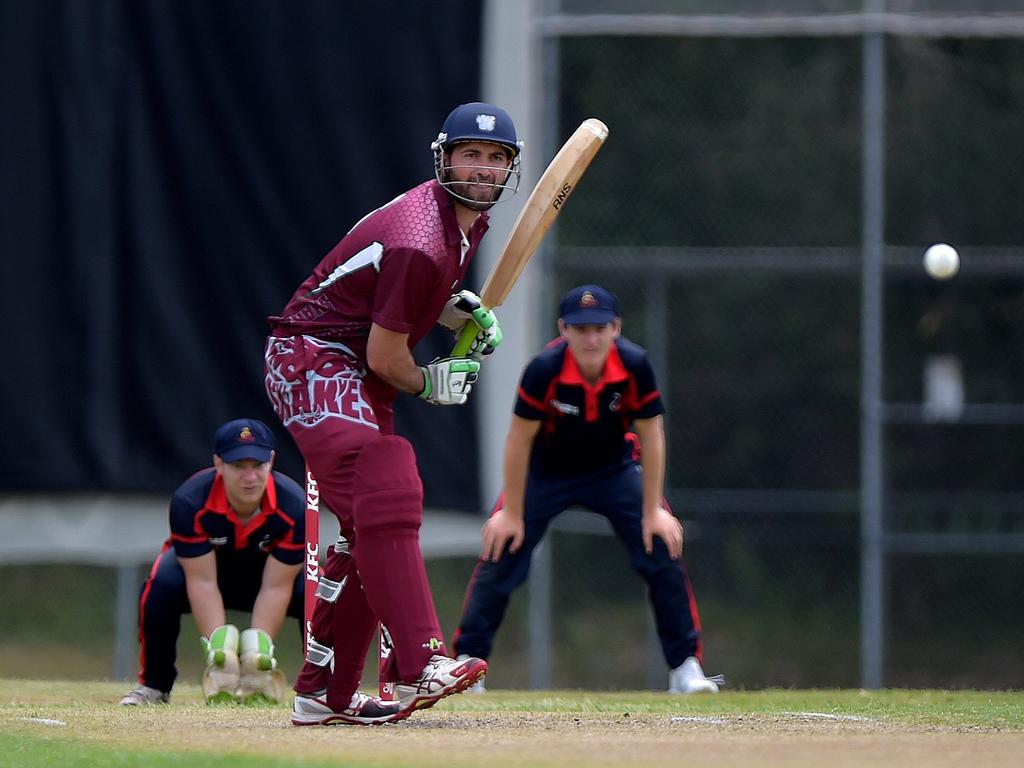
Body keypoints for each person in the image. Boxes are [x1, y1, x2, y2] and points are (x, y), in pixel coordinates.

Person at [263, 101, 522, 726]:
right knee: (389, 470)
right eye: (470, 155)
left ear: (509, 168)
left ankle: (323, 693)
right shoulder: (424, 237)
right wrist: (431, 381)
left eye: (495, 159)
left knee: (373, 521)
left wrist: (452, 311)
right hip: (312, 356)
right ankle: (422, 663)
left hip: (353, 361)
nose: (482, 169)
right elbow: (387, 355)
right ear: (444, 159)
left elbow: (395, 300)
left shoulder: (463, 225)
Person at [452, 285, 724, 694]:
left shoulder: (635, 365)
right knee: (501, 549)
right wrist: (509, 513)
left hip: (612, 468)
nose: (591, 338)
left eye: (600, 328)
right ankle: (466, 667)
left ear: (616, 328)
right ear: (564, 330)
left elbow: (652, 438)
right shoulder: (544, 368)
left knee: (661, 547)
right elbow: (519, 440)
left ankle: (685, 668)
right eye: (581, 330)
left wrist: (653, 511)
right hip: (545, 469)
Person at [120, 418, 306, 706]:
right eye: (238, 466)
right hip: (209, 577)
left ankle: (321, 690)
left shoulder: (295, 506)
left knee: (315, 592)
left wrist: (255, 654)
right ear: (218, 464)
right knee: (160, 584)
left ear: (271, 461)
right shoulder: (190, 501)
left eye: (257, 465)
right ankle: (155, 687)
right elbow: (202, 581)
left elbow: (276, 587)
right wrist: (222, 656)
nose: (250, 477)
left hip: (267, 580)